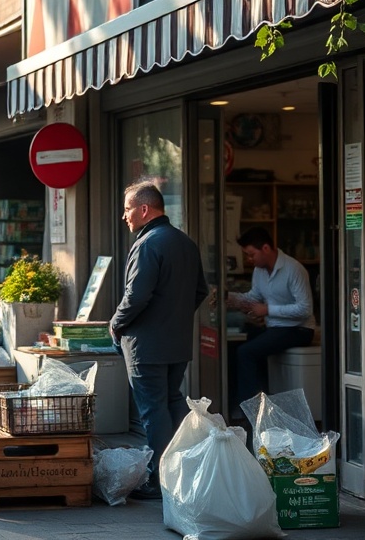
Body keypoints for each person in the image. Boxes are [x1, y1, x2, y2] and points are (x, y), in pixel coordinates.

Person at [109, 180, 208, 500]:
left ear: (144, 209)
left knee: (153, 410)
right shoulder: (184, 242)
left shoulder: (148, 243)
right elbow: (200, 291)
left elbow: (136, 296)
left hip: (146, 344)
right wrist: (175, 317)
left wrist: (115, 324)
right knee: (171, 401)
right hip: (177, 342)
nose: (123, 216)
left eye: (127, 209)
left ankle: (159, 478)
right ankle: (184, 466)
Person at [228, 226, 316, 405]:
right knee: (238, 344)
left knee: (246, 353)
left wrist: (268, 310)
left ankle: (250, 410)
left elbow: (305, 308)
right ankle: (258, 399)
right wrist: (229, 298)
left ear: (266, 249)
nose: (249, 259)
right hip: (275, 328)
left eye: (251, 254)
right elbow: (254, 298)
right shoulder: (259, 270)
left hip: (299, 329)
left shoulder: (294, 269)